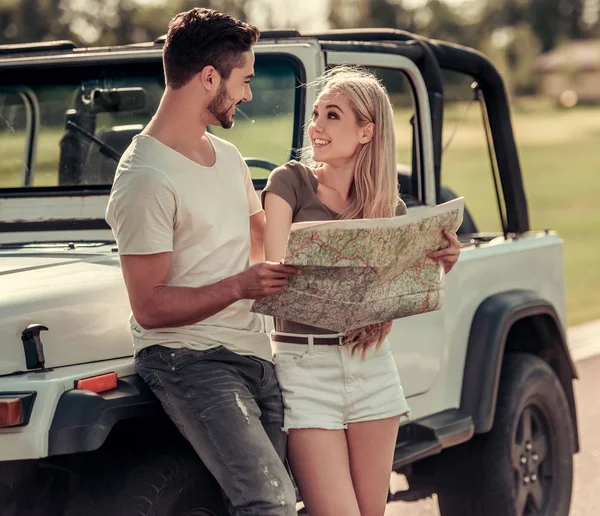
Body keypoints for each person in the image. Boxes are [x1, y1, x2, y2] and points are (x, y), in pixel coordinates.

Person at [105, 8, 299, 516]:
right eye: (245, 80)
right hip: (190, 360)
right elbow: (149, 307)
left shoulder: (228, 157)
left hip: (256, 354)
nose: (248, 95)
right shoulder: (145, 177)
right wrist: (239, 286)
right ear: (210, 76)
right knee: (270, 502)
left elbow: (267, 241)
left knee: (289, 496)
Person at [262, 66, 461, 516]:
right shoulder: (288, 182)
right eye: (316, 113)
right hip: (304, 366)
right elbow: (276, 273)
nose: (316, 125)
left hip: (371, 367)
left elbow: (395, 295)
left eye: (332, 115)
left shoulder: (390, 208)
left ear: (367, 131)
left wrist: (439, 265)